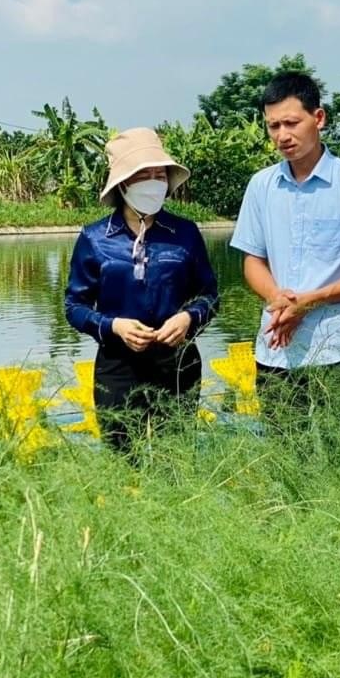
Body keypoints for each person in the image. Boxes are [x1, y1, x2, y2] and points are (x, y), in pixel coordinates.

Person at [230, 72, 340, 412]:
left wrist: (310, 302)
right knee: (282, 457)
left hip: (337, 348)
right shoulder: (261, 185)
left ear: (319, 118)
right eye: (273, 126)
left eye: (291, 123)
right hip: (275, 347)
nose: (282, 135)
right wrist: (276, 298)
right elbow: (252, 260)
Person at [65, 127, 219, 453]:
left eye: (159, 173)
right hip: (117, 365)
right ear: (123, 183)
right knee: (122, 458)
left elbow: (210, 296)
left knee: (175, 458)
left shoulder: (186, 234)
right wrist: (113, 326)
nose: (154, 181)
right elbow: (74, 306)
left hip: (178, 363)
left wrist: (189, 319)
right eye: (143, 174)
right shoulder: (94, 239)